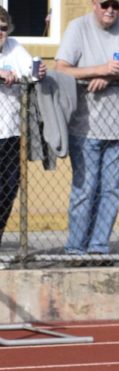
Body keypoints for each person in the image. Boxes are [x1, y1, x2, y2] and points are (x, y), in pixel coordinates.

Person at [55, 0, 119, 261]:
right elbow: (61, 68)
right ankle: (75, 249)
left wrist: (111, 77)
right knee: (85, 190)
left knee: (111, 191)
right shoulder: (78, 27)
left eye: (116, 5)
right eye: (105, 4)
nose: (111, 10)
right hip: (85, 126)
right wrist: (99, 69)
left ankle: (98, 247)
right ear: (94, 4)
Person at [0, 7, 46, 253]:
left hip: (11, 132)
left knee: (8, 189)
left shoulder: (14, 46)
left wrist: (38, 72)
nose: (0, 33)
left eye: (3, 28)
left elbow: (31, 70)